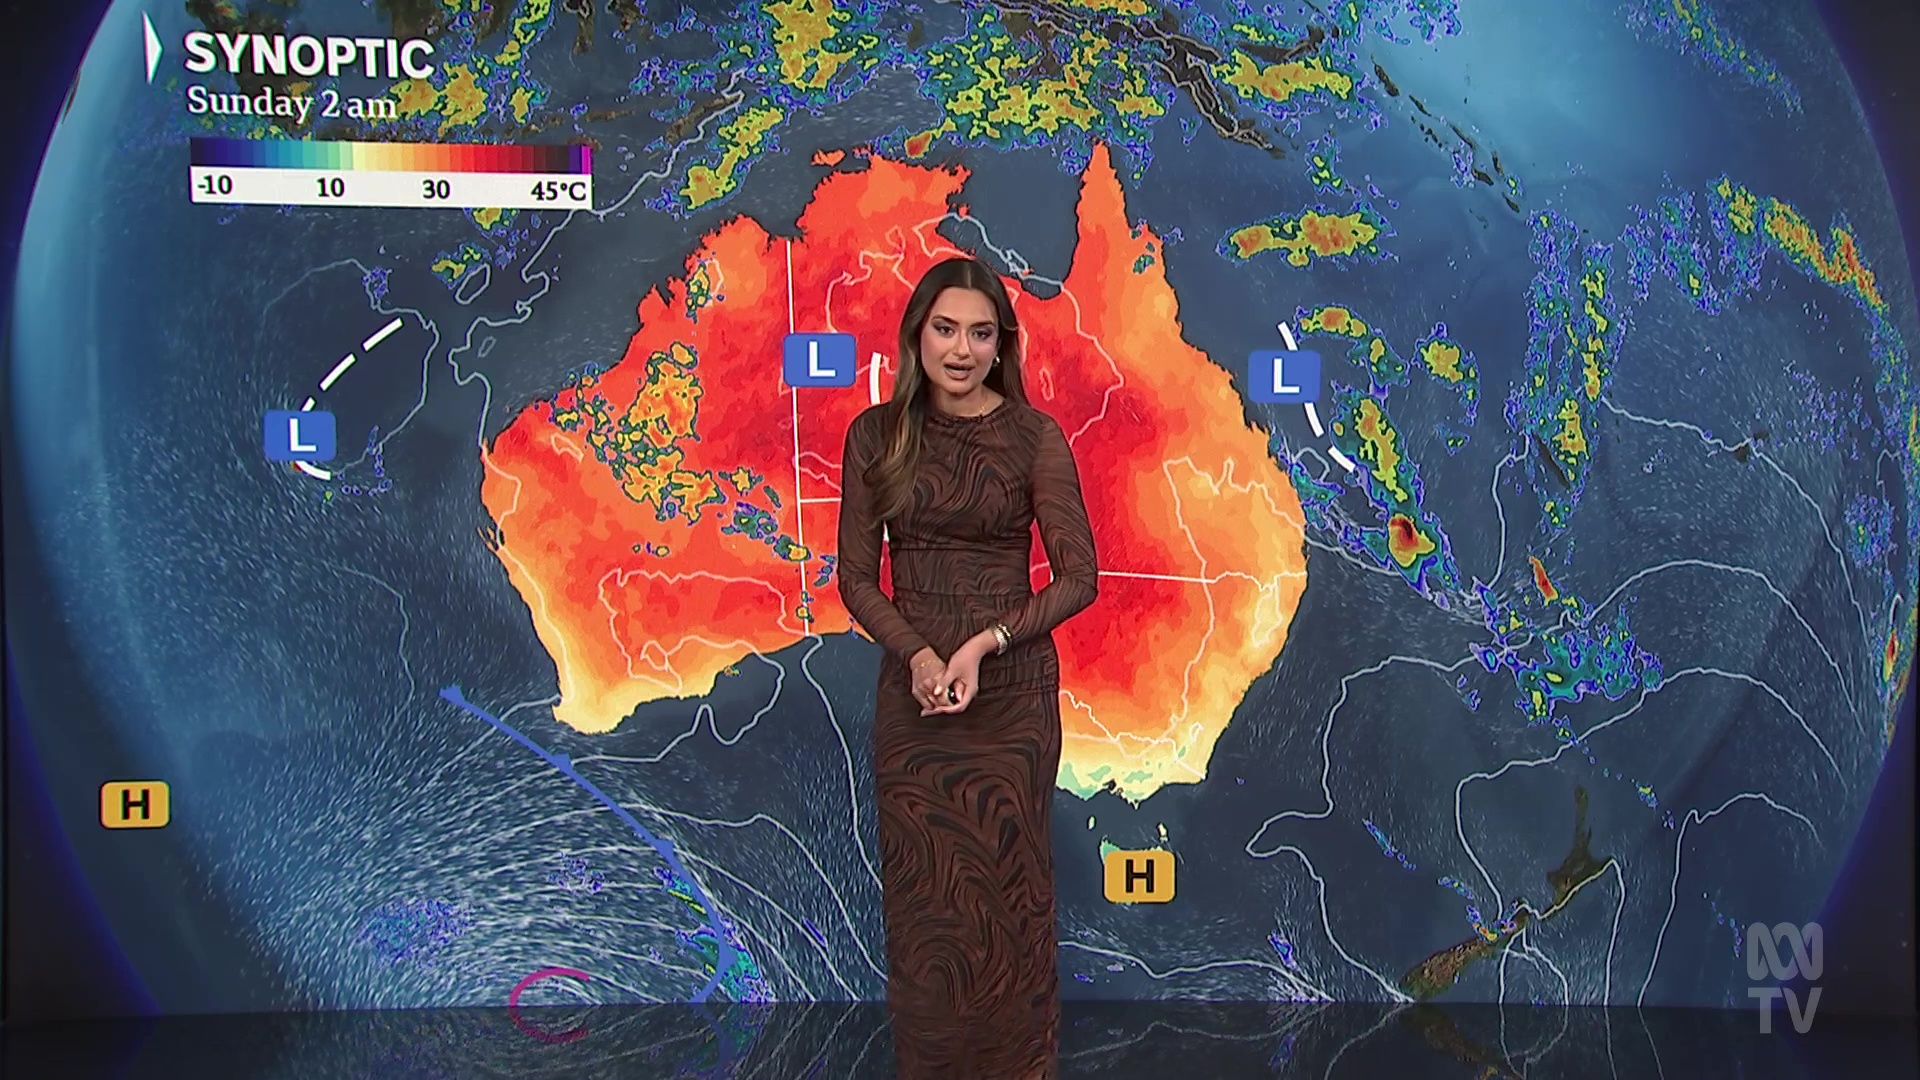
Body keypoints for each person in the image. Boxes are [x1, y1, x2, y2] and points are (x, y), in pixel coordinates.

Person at [835, 254, 1099, 1078]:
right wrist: (918, 654)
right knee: (929, 910)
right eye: (945, 329)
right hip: (915, 701)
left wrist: (987, 643)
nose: (961, 350)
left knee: (1009, 902)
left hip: (1010, 703)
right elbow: (854, 579)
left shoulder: (1033, 438)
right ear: (917, 335)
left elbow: (1079, 578)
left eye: (980, 334)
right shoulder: (876, 436)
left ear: (1001, 345)